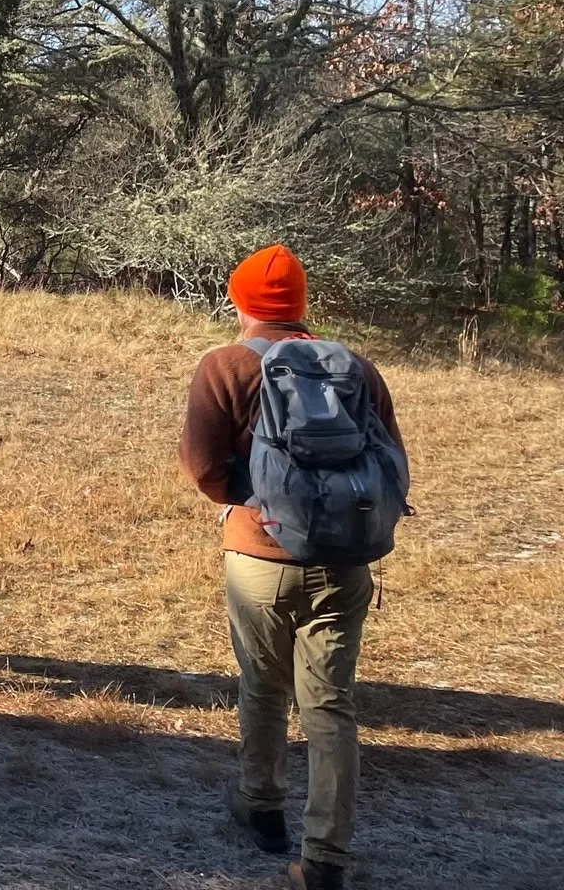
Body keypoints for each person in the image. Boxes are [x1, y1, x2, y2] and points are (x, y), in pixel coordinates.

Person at [180, 245, 406, 890]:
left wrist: (252, 504)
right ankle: (326, 856)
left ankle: (262, 807)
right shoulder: (355, 368)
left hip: (259, 556)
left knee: (263, 684)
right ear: (301, 302)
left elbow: (201, 465)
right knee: (331, 706)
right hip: (345, 560)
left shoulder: (224, 365)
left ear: (240, 300)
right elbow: (390, 459)